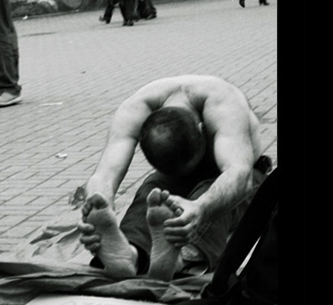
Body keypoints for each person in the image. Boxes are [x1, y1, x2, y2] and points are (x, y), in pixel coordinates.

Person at [74, 75, 271, 281]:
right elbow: (104, 175)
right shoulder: (134, 110)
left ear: (202, 130)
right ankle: (131, 254)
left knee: (210, 190)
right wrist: (99, 204)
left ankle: (184, 258)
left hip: (245, 175)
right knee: (154, 191)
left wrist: (199, 208)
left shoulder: (222, 103)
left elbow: (239, 174)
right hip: (178, 178)